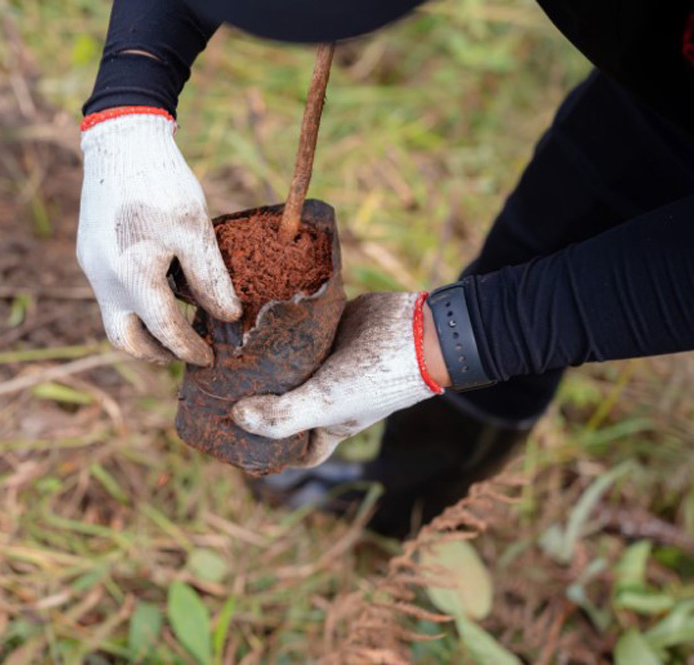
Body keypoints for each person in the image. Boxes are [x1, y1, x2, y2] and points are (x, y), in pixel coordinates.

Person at [76, 0, 694, 537]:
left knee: (531, 311)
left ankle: (424, 512)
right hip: (651, 67)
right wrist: (129, 105)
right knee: (539, 241)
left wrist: (452, 339)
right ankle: (408, 490)